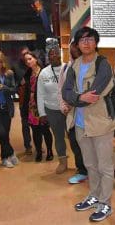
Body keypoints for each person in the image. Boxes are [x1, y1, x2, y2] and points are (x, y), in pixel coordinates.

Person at [62, 27, 115, 222]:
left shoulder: (103, 64)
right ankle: (94, 196)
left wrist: (76, 98)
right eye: (82, 40)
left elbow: (94, 94)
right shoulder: (74, 65)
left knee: (104, 166)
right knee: (90, 164)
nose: (86, 43)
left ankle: (105, 203)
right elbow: (65, 93)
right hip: (80, 123)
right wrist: (78, 97)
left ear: (96, 42)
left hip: (100, 122)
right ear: (77, 44)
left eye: (90, 39)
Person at [60, 40, 88, 184]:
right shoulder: (66, 68)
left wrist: (75, 100)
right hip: (72, 114)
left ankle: (91, 170)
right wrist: (64, 106)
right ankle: (82, 170)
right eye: (72, 49)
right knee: (74, 142)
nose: (75, 51)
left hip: (89, 113)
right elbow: (61, 90)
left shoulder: (93, 66)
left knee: (90, 144)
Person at [37, 43, 68, 174]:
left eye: (56, 53)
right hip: (52, 110)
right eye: (51, 55)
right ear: (48, 58)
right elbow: (40, 93)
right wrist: (42, 113)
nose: (53, 56)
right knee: (59, 136)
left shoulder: (68, 68)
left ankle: (81, 163)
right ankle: (62, 161)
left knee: (74, 136)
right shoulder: (44, 73)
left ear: (60, 55)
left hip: (68, 109)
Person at [22, 50, 53, 162]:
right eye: (26, 60)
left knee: (45, 129)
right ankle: (39, 151)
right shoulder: (27, 74)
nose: (28, 62)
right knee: (35, 130)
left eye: (30, 59)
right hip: (31, 106)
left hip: (43, 104)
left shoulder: (44, 72)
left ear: (36, 59)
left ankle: (49, 151)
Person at [14, 46, 33, 155]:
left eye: (27, 54)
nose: (26, 57)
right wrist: (18, 86)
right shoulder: (16, 67)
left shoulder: (34, 65)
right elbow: (13, 84)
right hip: (23, 101)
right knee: (25, 124)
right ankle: (28, 146)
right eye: (23, 55)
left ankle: (38, 144)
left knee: (36, 125)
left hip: (34, 101)